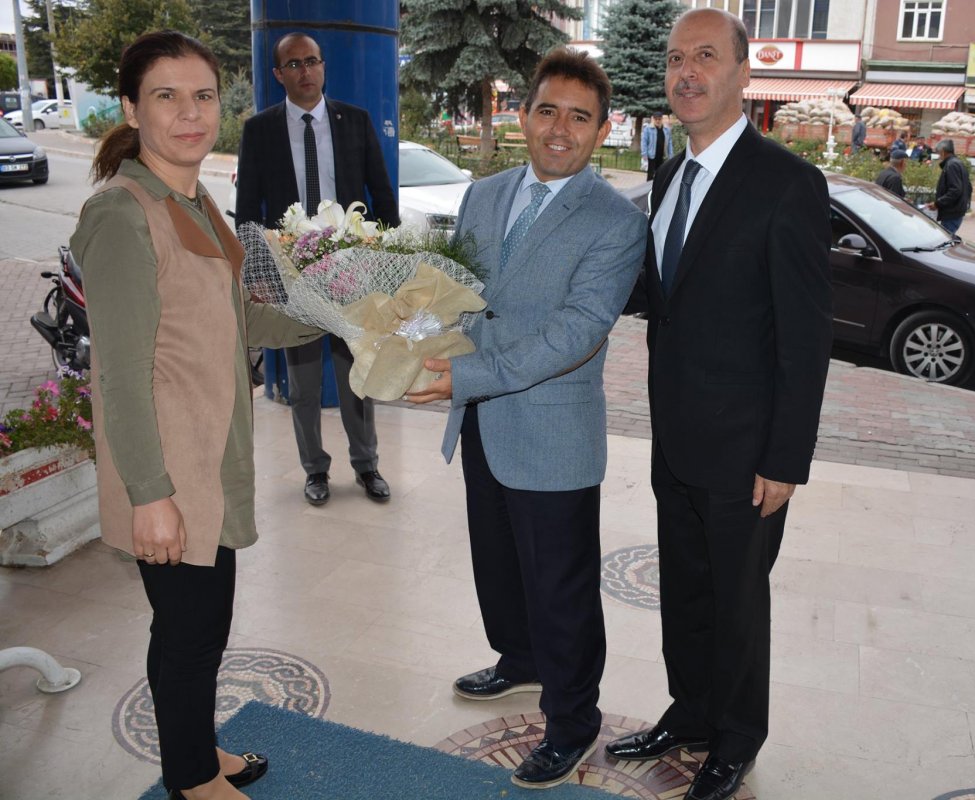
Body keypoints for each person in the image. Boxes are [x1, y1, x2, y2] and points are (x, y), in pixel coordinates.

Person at [71, 30, 324, 800]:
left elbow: (242, 319)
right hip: (170, 470)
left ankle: (197, 750)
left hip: (211, 459)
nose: (190, 113)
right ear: (131, 109)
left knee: (202, 627)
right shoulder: (123, 214)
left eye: (203, 96)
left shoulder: (194, 199)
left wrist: (340, 314)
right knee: (187, 632)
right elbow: (119, 375)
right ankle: (191, 779)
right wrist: (150, 495)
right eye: (166, 96)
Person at [604, 10, 832, 800]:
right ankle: (692, 713)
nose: (686, 73)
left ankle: (736, 739)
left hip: (747, 451)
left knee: (737, 603)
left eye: (705, 56)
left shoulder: (788, 183)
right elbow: (663, 296)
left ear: (743, 73)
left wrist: (785, 458)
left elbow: (806, 338)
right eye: (675, 59)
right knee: (686, 588)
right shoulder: (671, 175)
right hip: (676, 437)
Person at [405, 48, 646, 790]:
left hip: (551, 430)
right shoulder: (484, 194)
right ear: (523, 114)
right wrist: (405, 337)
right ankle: (519, 658)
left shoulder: (615, 221)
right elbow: (458, 292)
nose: (560, 129)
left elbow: (577, 333)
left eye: (579, 117)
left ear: (602, 130)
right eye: (547, 111)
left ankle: (572, 721)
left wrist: (468, 377)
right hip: (481, 419)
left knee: (561, 588)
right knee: (500, 562)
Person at [235, 32, 400, 507]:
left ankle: (367, 465)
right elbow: (247, 209)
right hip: (294, 279)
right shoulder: (260, 130)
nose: (304, 71)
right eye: (293, 64)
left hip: (351, 274)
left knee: (357, 375)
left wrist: (385, 261)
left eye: (311, 61)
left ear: (323, 67)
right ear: (278, 74)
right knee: (304, 384)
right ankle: (315, 469)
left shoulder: (355, 121)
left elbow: (381, 194)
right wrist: (259, 274)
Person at [925, 138, 971, 235]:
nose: (939, 156)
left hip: (952, 213)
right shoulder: (957, 163)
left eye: (938, 153)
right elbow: (968, 187)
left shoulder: (951, 165)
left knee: (945, 239)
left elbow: (955, 190)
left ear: (943, 151)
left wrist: (938, 203)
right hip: (955, 211)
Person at [641, 110, 674, 180]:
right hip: (652, 155)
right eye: (656, 119)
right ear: (653, 119)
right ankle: (650, 187)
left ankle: (658, 187)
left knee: (660, 175)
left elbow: (669, 143)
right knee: (650, 176)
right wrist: (644, 154)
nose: (657, 121)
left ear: (662, 119)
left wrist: (670, 155)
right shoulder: (648, 129)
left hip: (662, 156)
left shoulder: (666, 130)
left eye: (659, 119)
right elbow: (644, 142)